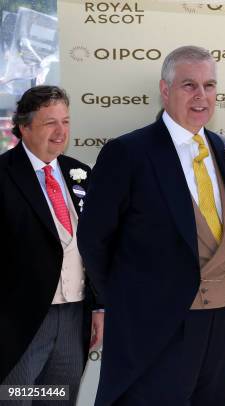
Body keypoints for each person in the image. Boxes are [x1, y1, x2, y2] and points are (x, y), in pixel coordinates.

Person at [77, 46, 225, 406]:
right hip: (156, 329)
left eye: (209, 85)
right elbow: (93, 239)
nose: (201, 96)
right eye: (189, 85)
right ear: (165, 89)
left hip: (222, 326)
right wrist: (127, 304)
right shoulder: (128, 153)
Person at [0, 85, 103, 405]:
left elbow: (96, 246)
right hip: (19, 322)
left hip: (73, 319)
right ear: (24, 126)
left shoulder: (81, 174)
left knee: (57, 399)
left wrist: (99, 305)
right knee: (15, 398)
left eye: (66, 121)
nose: (61, 132)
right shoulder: (3, 175)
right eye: (50, 123)